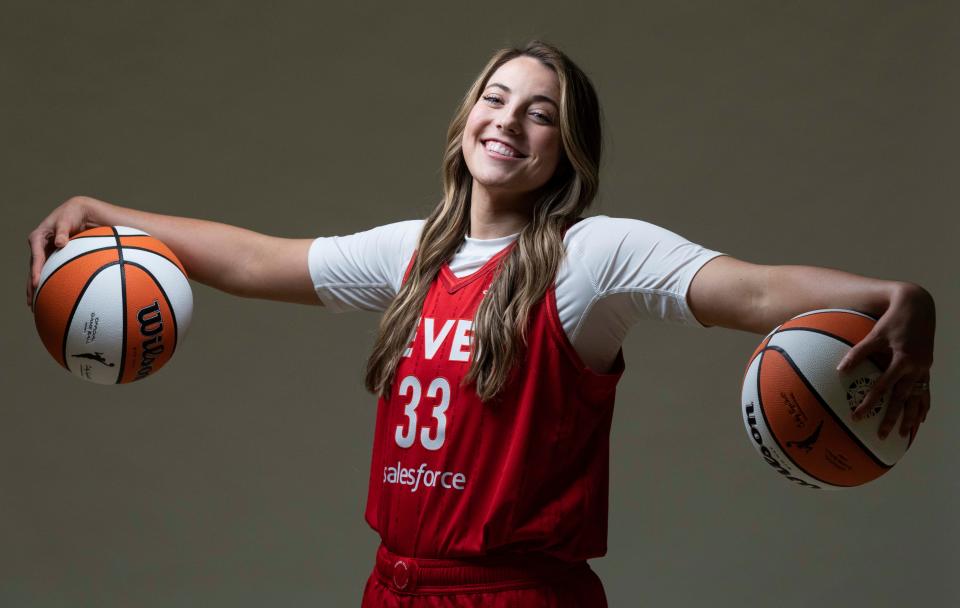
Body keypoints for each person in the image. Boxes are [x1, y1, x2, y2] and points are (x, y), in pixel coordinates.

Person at [26, 40, 935, 607]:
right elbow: (259, 260)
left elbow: (754, 288)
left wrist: (900, 300)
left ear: (564, 153)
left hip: (516, 597)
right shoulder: (410, 255)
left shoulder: (596, 258)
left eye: (541, 114)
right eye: (497, 98)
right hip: (396, 587)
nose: (510, 120)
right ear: (467, 117)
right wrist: (113, 215)